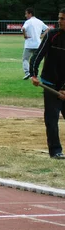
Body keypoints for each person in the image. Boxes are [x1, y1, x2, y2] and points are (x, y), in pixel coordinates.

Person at [29, 8, 65, 159]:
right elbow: (37, 56)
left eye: (63, 19)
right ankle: (55, 151)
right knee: (51, 119)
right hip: (49, 83)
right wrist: (34, 74)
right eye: (59, 18)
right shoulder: (52, 35)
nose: (59, 21)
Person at [22, 7, 48, 80]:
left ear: (30, 14)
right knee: (36, 60)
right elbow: (47, 29)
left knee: (25, 59)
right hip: (38, 44)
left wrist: (25, 36)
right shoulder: (39, 21)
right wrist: (41, 36)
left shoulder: (28, 22)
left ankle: (27, 73)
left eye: (26, 14)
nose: (25, 15)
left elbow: (23, 29)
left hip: (29, 44)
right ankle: (34, 74)